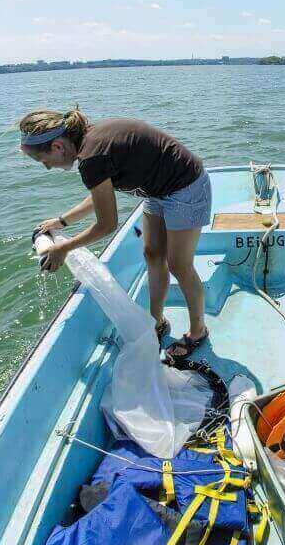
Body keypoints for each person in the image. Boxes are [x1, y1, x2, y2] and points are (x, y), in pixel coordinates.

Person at [19, 109, 213, 360]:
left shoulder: (92, 157)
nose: (47, 167)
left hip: (185, 187)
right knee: (152, 253)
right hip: (157, 190)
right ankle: (156, 322)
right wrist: (62, 221)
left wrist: (64, 248)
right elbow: (100, 194)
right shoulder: (89, 145)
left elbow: (107, 224)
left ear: (57, 146)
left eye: (44, 161)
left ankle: (198, 331)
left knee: (179, 264)